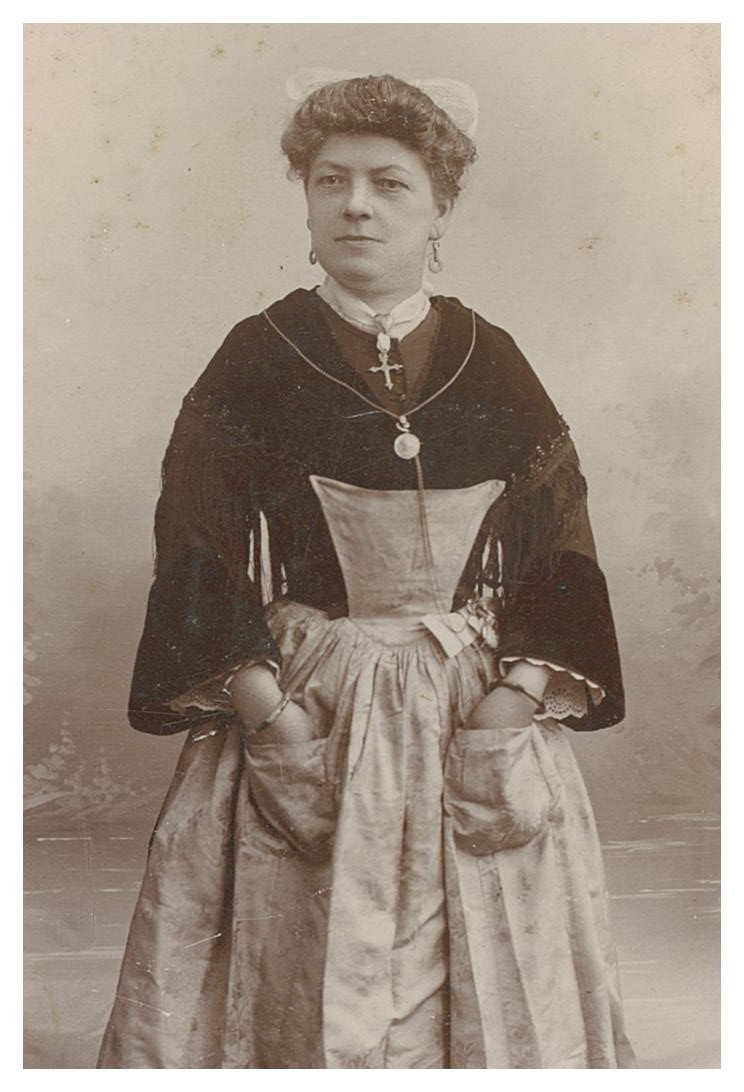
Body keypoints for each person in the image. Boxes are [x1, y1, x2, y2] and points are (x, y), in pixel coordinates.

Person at [98, 72, 636, 1069]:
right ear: (306, 204)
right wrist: (270, 714)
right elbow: (196, 540)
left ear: (440, 208)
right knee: (297, 962)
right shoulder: (258, 355)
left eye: (389, 184)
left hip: (470, 700)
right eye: (331, 181)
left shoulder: (490, 355)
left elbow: (561, 536)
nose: (356, 206)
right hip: (307, 695)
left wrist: (514, 699)